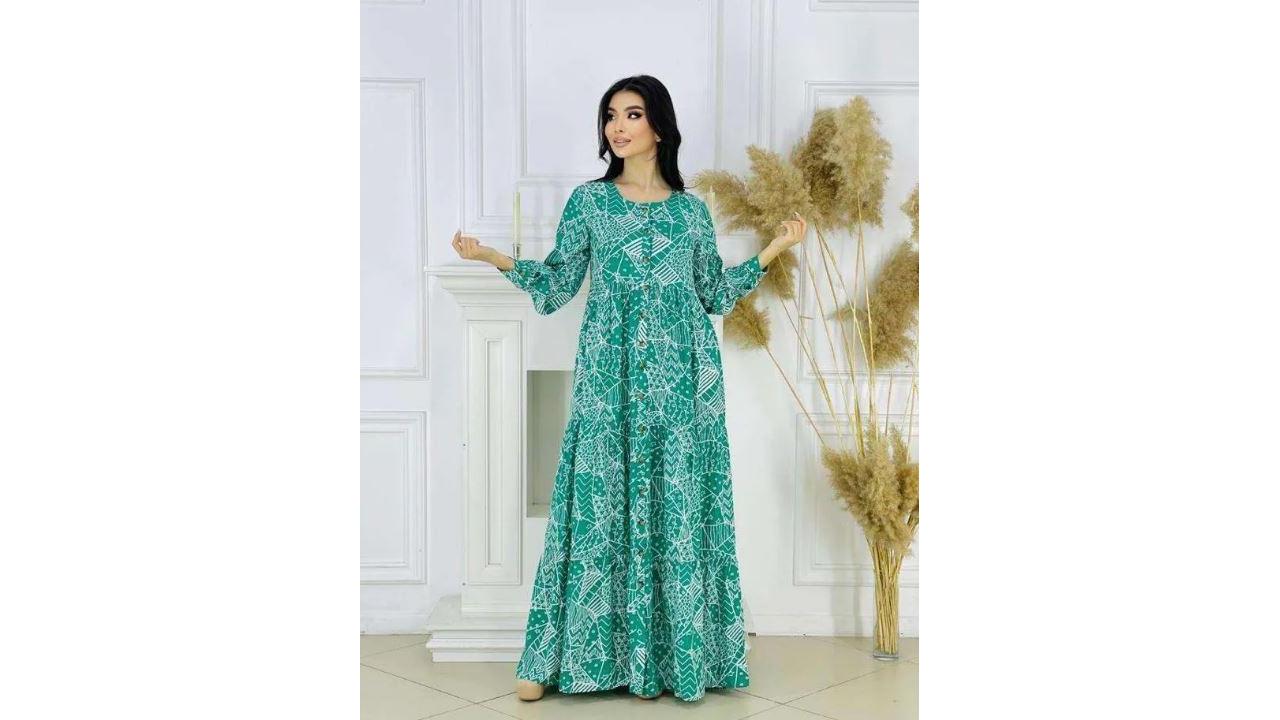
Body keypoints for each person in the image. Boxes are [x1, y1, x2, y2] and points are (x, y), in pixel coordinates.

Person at [450, 74, 806, 704]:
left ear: (659, 126)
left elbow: (713, 293)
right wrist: (493, 258)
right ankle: (558, 657)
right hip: (609, 377)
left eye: (632, 114)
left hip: (682, 382)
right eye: (610, 115)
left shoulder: (691, 211)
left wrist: (774, 248)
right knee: (596, 503)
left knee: (678, 505)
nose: (617, 126)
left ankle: (678, 659)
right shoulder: (590, 203)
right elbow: (557, 283)